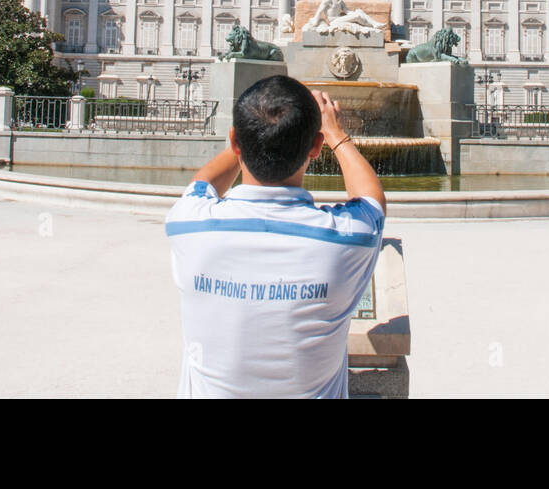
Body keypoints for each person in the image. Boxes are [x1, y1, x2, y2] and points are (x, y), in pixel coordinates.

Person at [165, 75, 385, 399]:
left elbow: (203, 183)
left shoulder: (187, 223)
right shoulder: (347, 239)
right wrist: (337, 134)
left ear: (235, 143)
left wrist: (251, 137)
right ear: (316, 147)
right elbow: (371, 200)